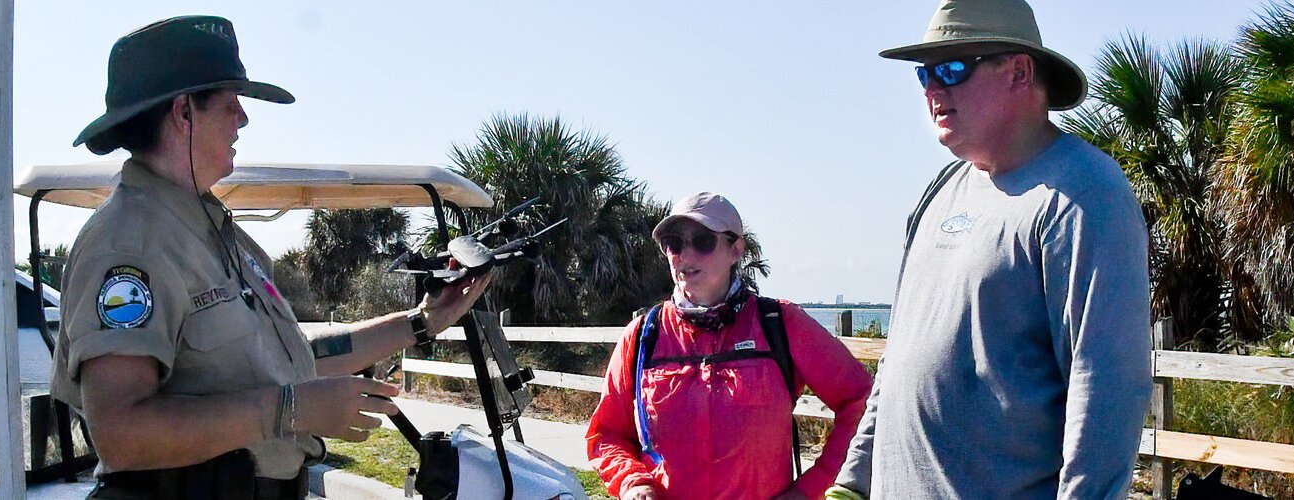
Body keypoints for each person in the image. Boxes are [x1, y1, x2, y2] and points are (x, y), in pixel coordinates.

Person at [50, 16, 488, 499]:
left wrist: (422, 321)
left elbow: (293, 361)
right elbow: (120, 434)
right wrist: (290, 411)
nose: (243, 118)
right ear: (183, 113)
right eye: (230, 103)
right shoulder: (129, 242)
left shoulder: (212, 233)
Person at [828, 0, 1153, 498]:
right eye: (924, 75)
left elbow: (1106, 395)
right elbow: (898, 364)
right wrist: (852, 484)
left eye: (952, 69)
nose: (933, 90)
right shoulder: (941, 192)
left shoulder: (1085, 195)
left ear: (1019, 72)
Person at [586, 192, 872, 500]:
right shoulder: (643, 336)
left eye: (703, 240)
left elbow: (862, 401)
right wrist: (633, 482)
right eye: (674, 243)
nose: (685, 254)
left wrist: (811, 488)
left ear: (736, 249)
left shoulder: (780, 323)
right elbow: (607, 434)